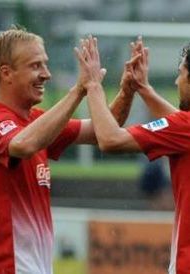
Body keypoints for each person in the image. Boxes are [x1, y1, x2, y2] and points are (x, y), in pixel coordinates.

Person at [0, 26, 138, 274]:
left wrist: (128, 89)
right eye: (35, 66)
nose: (46, 74)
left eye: (45, 65)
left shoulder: (37, 122)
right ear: (6, 73)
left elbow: (103, 129)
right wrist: (79, 89)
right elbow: (23, 144)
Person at [83, 35, 190, 274]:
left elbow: (110, 140)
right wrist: (144, 89)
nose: (176, 81)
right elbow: (180, 128)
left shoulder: (184, 128)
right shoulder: (184, 129)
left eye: (181, 73)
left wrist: (92, 86)